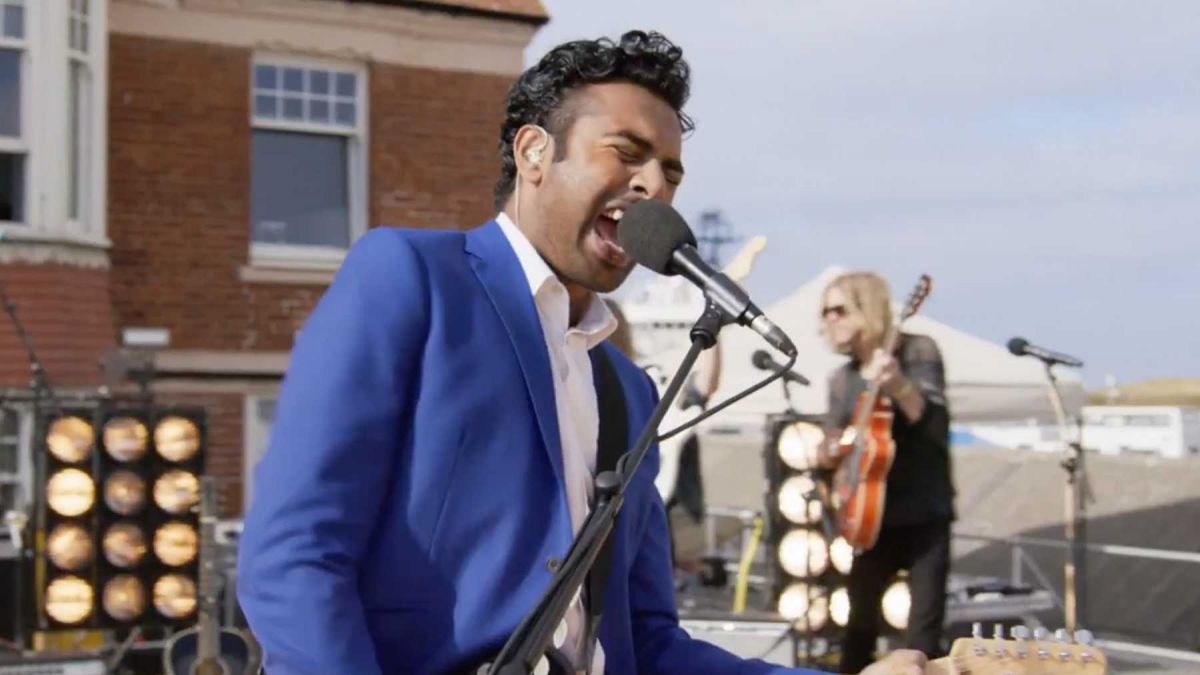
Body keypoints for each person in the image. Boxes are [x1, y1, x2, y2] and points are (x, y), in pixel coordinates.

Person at [237, 30, 925, 675]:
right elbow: (292, 556)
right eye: (626, 153)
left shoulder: (628, 392)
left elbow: (648, 644)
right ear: (534, 152)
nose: (655, 186)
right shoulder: (412, 278)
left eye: (670, 172)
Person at [816, 272, 955, 673]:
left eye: (839, 309)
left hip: (923, 514)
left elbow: (936, 425)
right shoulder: (842, 378)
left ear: (867, 307)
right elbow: (831, 444)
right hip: (869, 520)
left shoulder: (917, 351)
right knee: (857, 629)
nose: (830, 319)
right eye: (825, 312)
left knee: (923, 636)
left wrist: (898, 385)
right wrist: (829, 451)